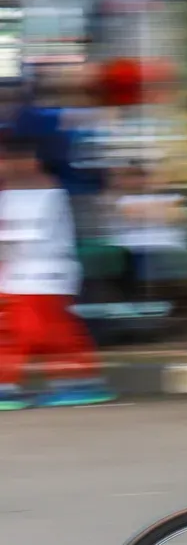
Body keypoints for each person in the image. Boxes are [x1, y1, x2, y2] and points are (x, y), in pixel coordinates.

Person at [0, 134, 116, 410]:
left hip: (38, 277)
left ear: (28, 161)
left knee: (29, 332)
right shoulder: (19, 191)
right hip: (25, 277)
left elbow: (17, 236)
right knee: (45, 331)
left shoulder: (41, 191)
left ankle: (75, 382)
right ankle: (78, 382)